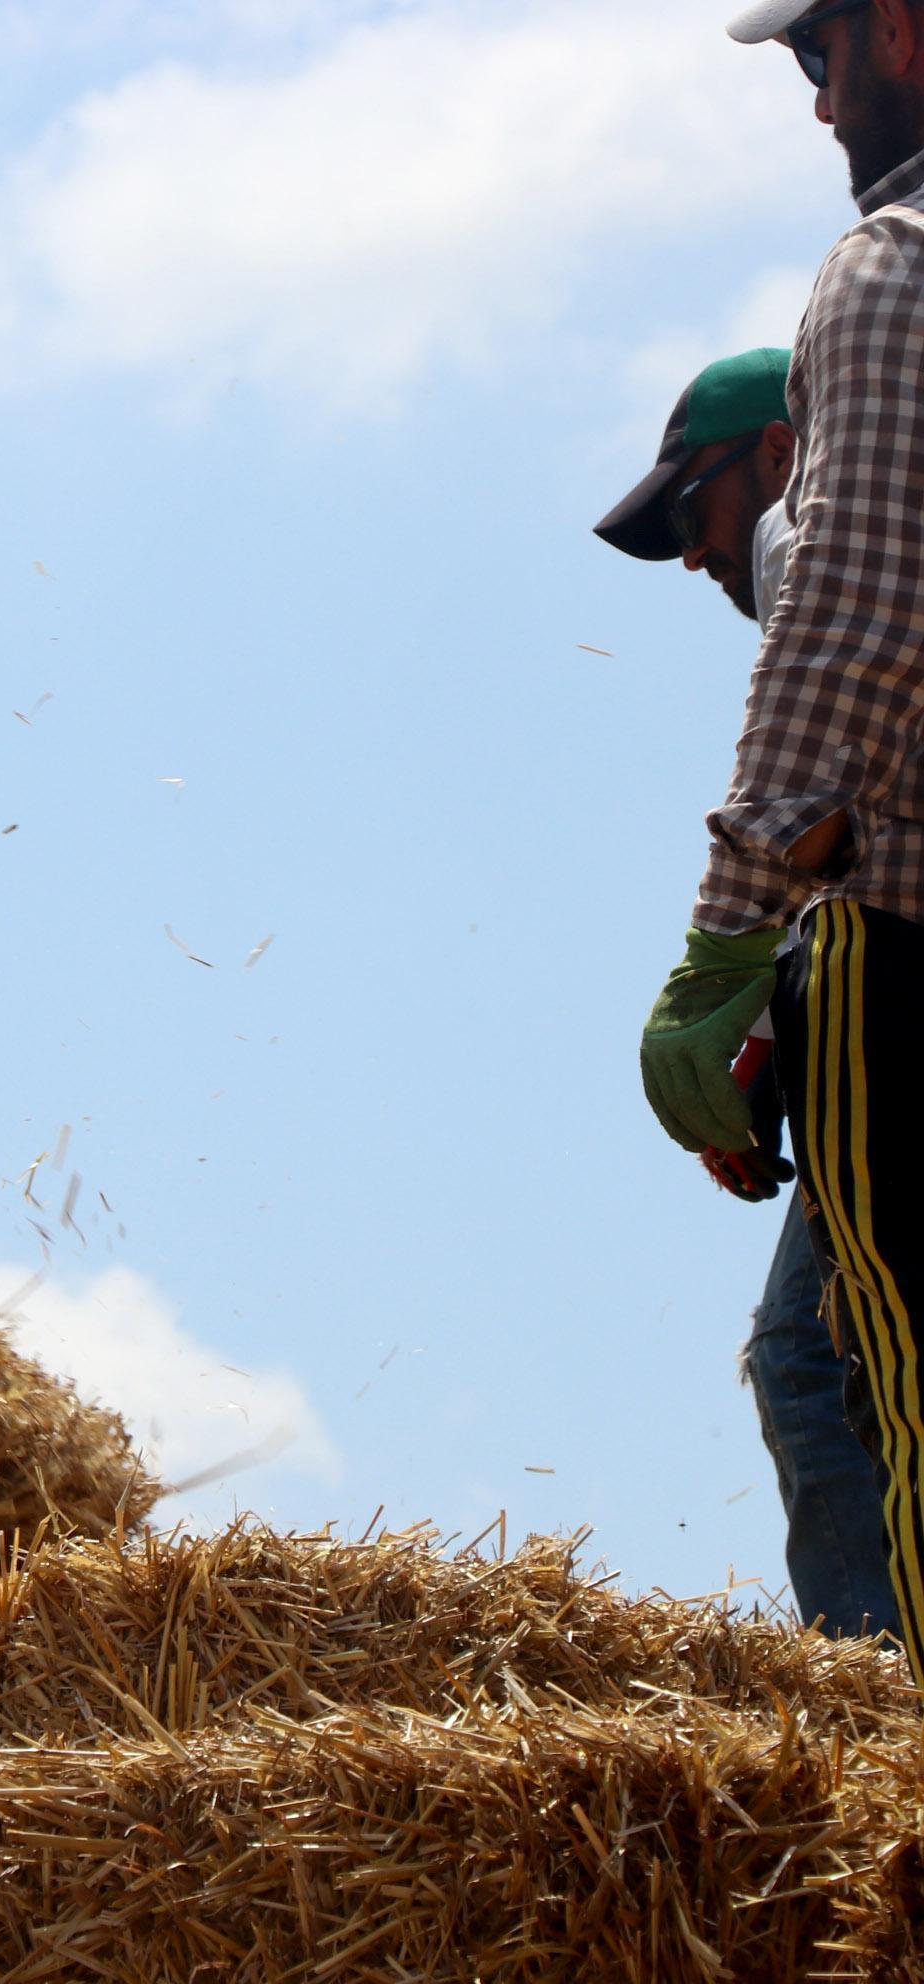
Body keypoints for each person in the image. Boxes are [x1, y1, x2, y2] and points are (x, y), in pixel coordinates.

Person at [644, 0, 924, 1643]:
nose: (818, 103)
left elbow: (851, 648)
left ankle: (889, 1742)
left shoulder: (888, 275)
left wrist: (724, 949)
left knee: (834, 1364)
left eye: (822, 55)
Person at [598, 348, 896, 1637]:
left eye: (690, 509)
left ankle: (889, 1720)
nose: (691, 554)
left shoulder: (803, 532)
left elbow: (819, 787)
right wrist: (780, 1027)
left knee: (814, 1360)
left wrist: (716, 977)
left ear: (778, 453)